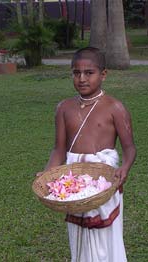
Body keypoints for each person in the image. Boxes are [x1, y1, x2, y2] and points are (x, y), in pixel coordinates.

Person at [37, 47, 136, 262]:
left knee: (104, 235)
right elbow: (59, 149)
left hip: (103, 180)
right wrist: (48, 173)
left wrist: (124, 168)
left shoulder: (115, 107)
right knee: (79, 235)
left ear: (103, 74)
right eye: (76, 73)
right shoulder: (64, 108)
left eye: (89, 73)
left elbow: (129, 147)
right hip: (75, 184)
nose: (81, 78)